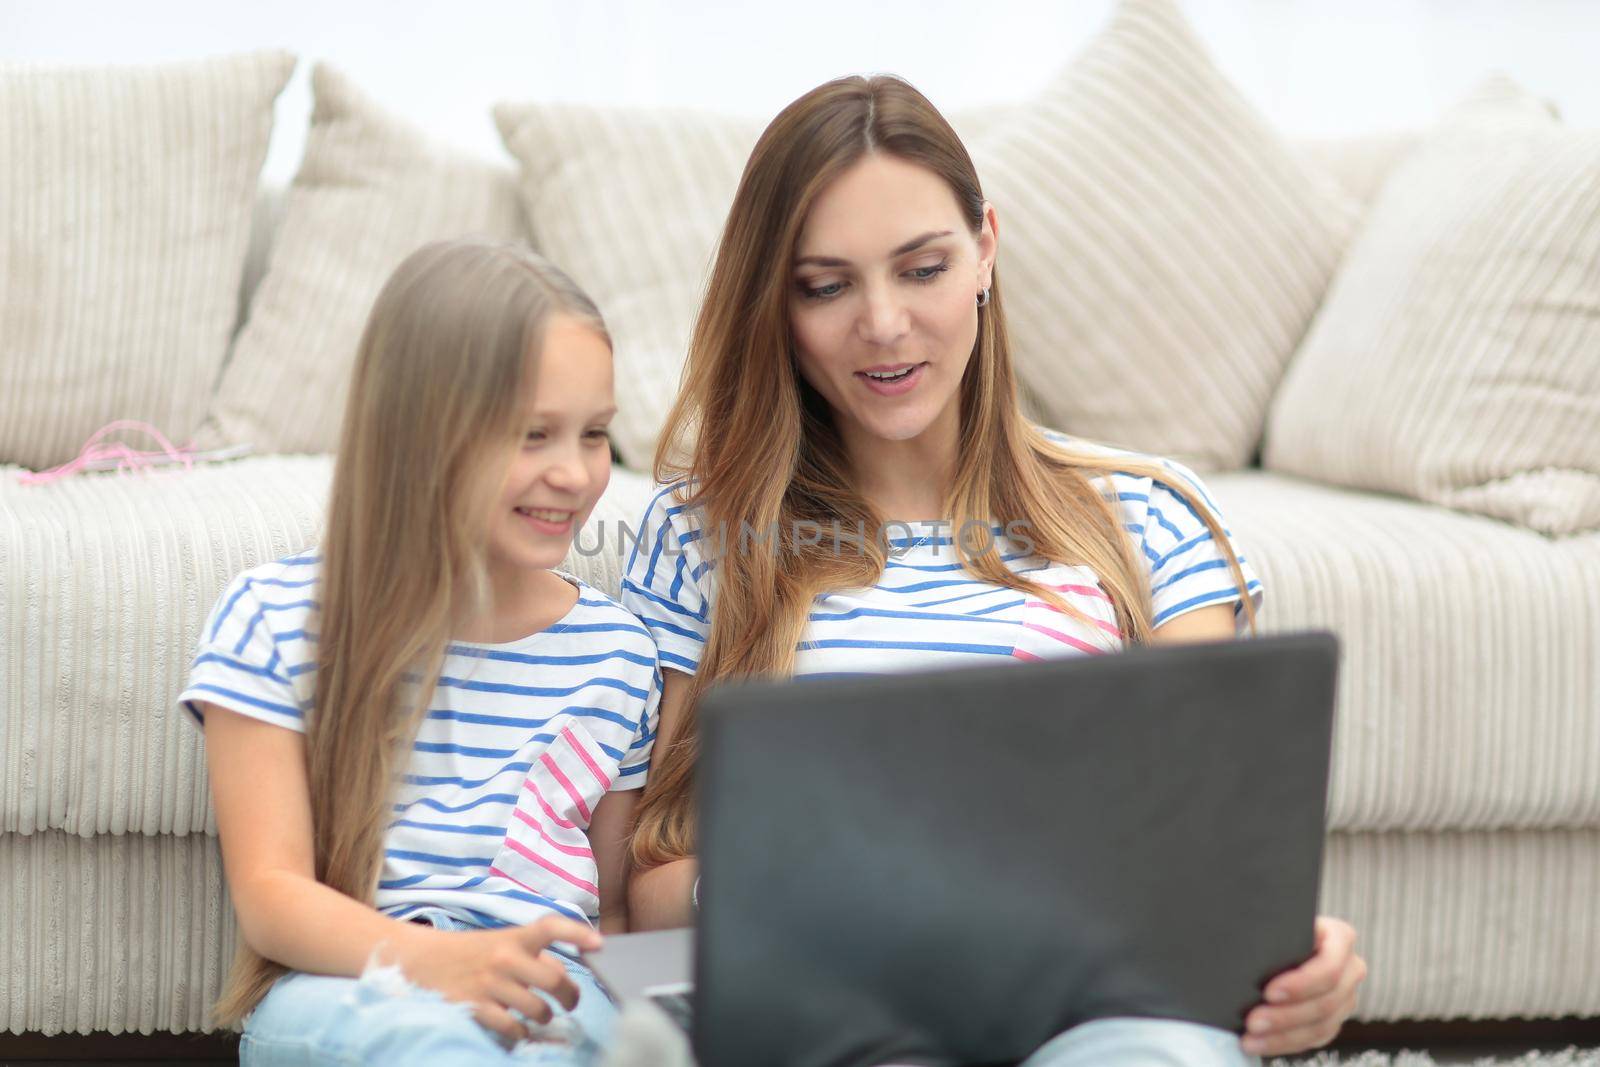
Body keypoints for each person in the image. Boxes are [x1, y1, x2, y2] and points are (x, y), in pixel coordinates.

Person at [620, 76, 1367, 1064]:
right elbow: (647, 888)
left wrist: (1302, 962)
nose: (882, 324)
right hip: (835, 1013)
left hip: (1096, 1021)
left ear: (984, 250)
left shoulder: (1146, 515)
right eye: (827, 284)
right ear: (777, 306)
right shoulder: (701, 534)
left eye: (920, 268)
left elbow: (1209, 871)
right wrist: (791, 884)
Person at [180, 239, 660, 1065]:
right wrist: (445, 964)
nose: (576, 473)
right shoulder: (275, 619)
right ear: (419, 431)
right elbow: (270, 895)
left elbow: (610, 916)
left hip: (553, 997)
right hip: (356, 990)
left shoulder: (617, 652)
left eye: (594, 435)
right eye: (534, 433)